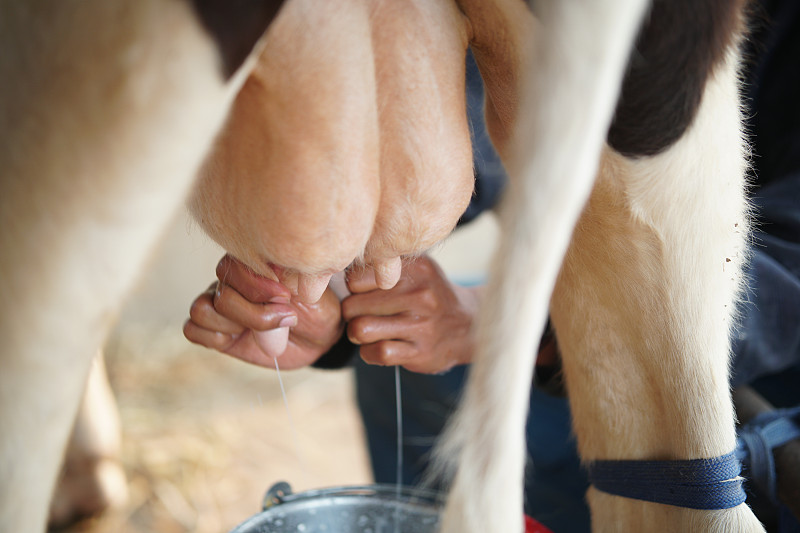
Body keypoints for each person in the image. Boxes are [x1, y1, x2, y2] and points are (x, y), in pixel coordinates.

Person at [185, 8, 800, 529]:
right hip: (631, 367)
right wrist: (337, 284)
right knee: (402, 361)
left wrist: (510, 325)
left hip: (773, 408)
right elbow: (507, 94)